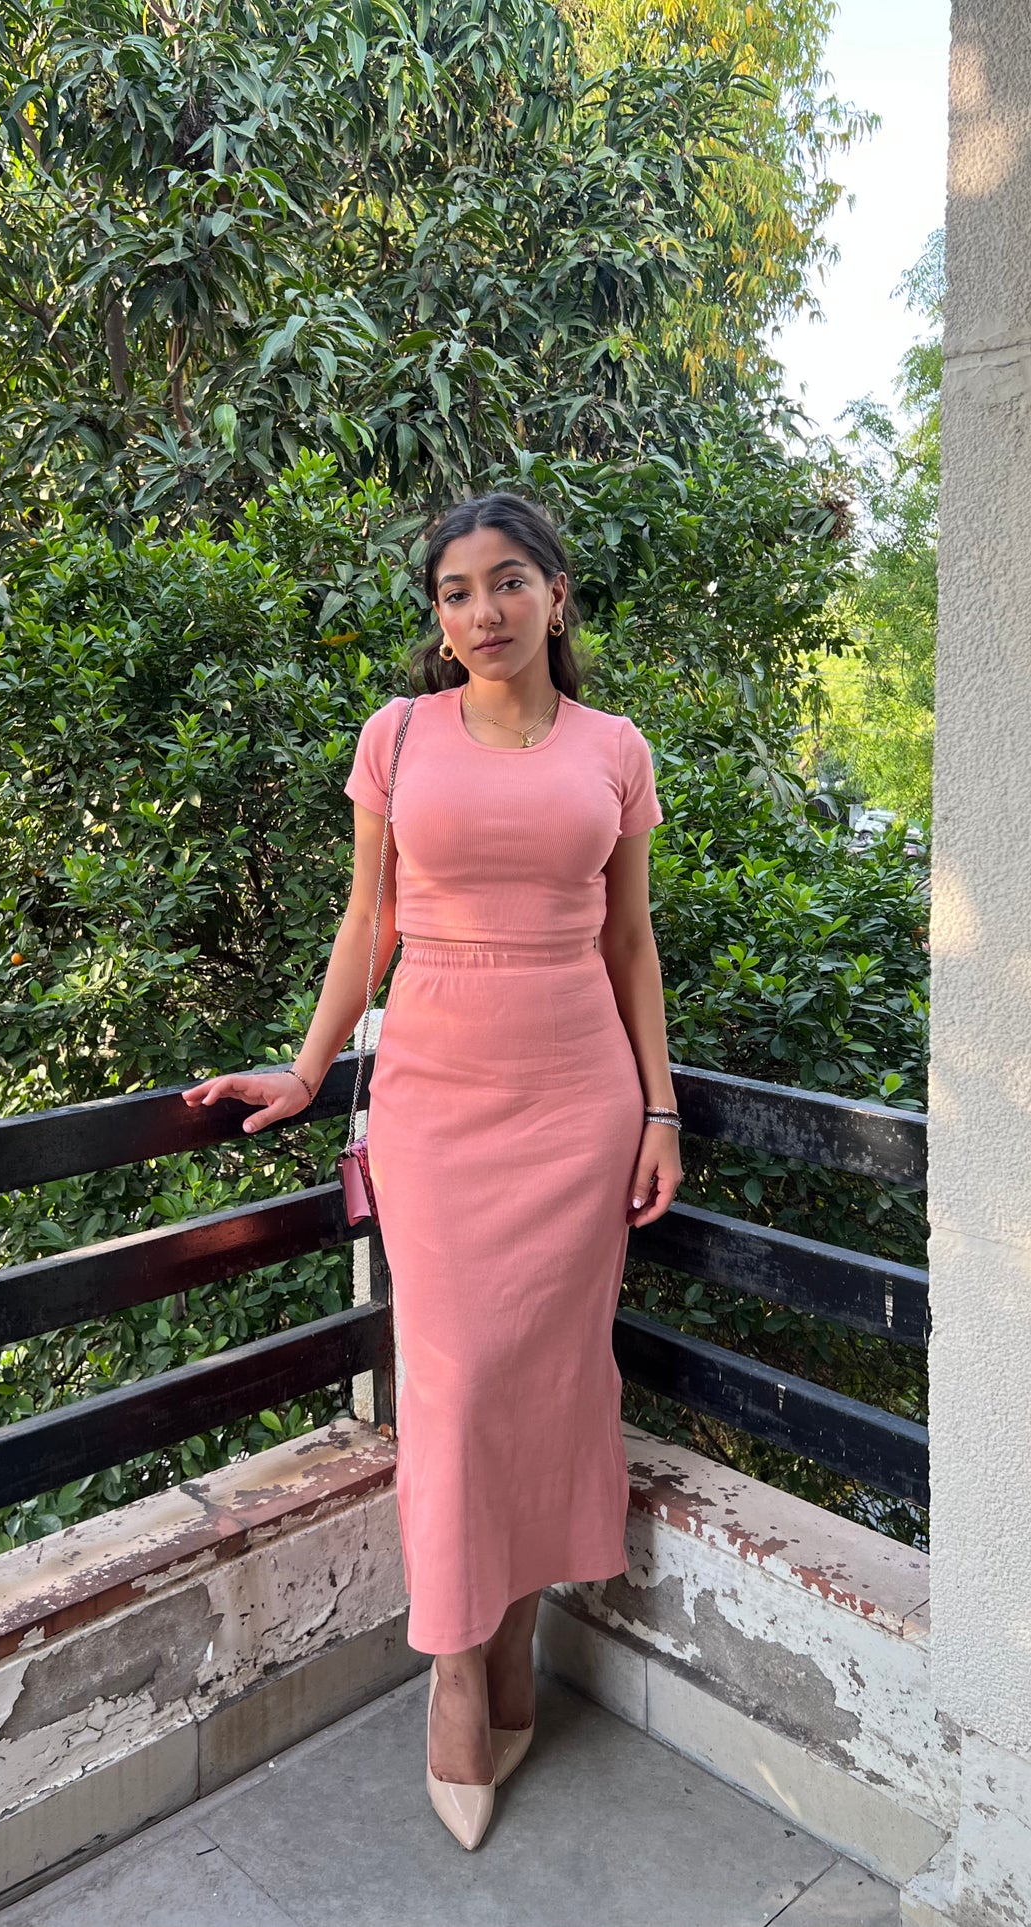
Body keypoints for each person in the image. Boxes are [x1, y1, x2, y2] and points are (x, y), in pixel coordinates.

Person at [181, 490, 683, 1849]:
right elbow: (370, 921)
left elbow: (630, 944)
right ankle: (458, 1670)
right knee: (454, 1391)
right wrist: (307, 1071)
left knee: (546, 1385)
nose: (482, 611)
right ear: (439, 617)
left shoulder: (614, 750)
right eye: (455, 591)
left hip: (577, 1104)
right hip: (435, 1105)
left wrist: (660, 1109)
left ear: (557, 595)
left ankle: (514, 1640)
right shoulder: (396, 735)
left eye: (508, 581)